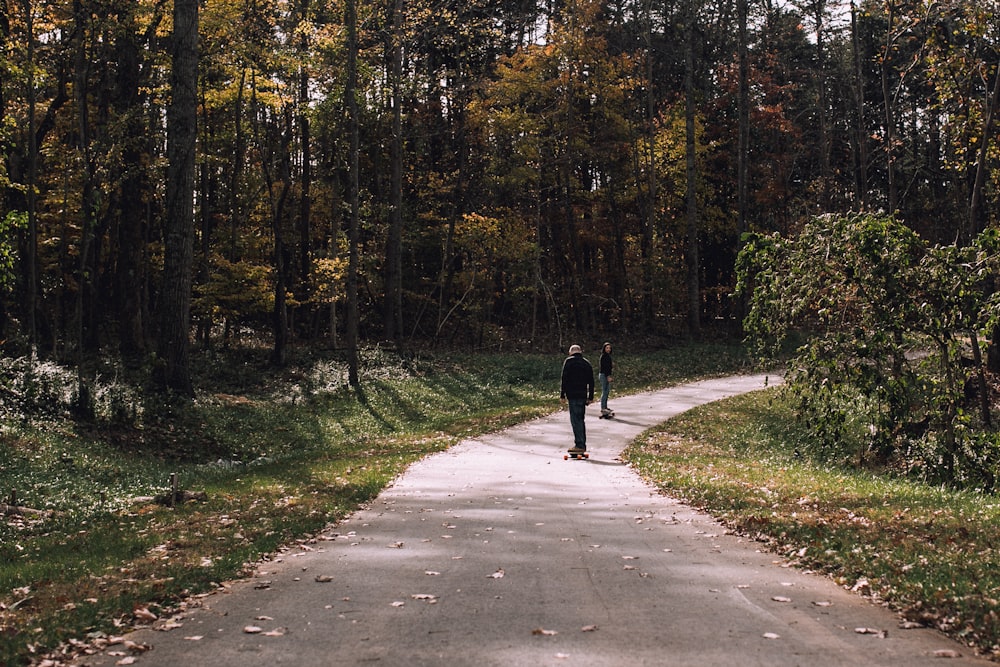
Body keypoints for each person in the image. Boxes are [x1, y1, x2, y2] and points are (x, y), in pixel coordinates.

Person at [560, 344, 594, 452]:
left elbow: (564, 378)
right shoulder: (586, 363)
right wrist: (590, 396)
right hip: (582, 395)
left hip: (572, 395)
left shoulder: (569, 362)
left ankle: (579, 445)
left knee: (575, 420)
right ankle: (582, 443)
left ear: (571, 352)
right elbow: (591, 381)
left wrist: (562, 395)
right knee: (581, 419)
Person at [599, 342, 613, 416]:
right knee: (604, 391)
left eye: (609, 348)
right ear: (604, 348)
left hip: (606, 375)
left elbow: (609, 367)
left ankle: (605, 406)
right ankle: (603, 408)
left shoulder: (608, 356)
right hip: (604, 375)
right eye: (607, 348)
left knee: (607, 392)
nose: (608, 349)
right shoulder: (604, 356)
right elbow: (605, 368)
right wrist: (608, 376)